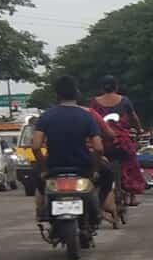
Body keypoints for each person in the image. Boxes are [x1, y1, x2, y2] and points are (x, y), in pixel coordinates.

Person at [31, 75, 104, 218]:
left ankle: (42, 208)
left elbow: (36, 146)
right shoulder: (87, 116)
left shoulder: (46, 116)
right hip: (82, 167)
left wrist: (44, 169)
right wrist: (95, 170)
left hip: (54, 167)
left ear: (57, 95)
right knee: (107, 175)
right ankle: (98, 209)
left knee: (36, 177)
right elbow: (99, 148)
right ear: (77, 93)